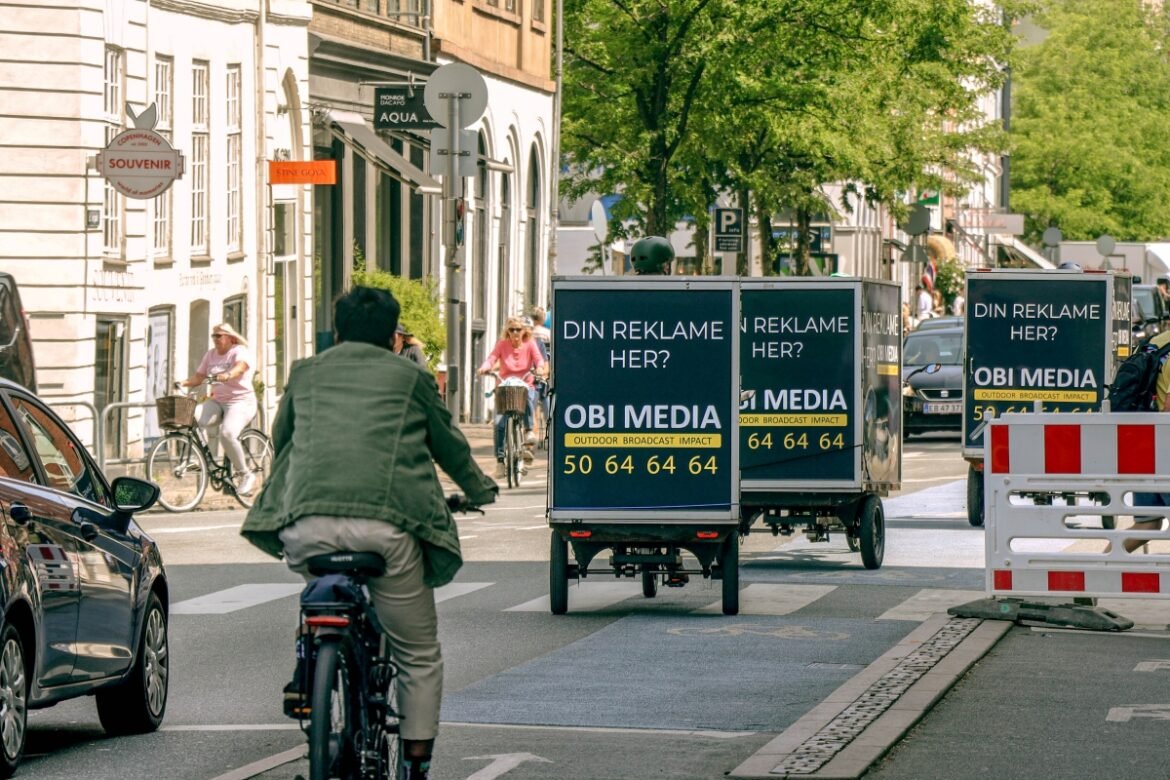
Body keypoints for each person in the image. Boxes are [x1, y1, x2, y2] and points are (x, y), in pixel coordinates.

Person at [240, 286, 498, 780]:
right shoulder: (410, 376)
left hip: (305, 523)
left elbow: (282, 437)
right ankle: (417, 764)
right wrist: (480, 490)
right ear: (393, 337)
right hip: (387, 528)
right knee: (417, 652)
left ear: (336, 332)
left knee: (320, 583)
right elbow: (448, 445)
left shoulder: (305, 372)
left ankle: (309, 663)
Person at [180, 323, 258, 495]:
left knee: (227, 434)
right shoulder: (210, 355)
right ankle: (197, 459)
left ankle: (246, 474)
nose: (215, 339)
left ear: (230, 338)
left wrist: (229, 375)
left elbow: (241, 367)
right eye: (213, 336)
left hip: (241, 402)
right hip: (217, 401)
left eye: (219, 336)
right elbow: (199, 377)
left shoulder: (239, 351)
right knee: (191, 418)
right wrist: (182, 383)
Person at [477, 316, 545, 475]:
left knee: (528, 394)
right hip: (505, 388)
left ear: (524, 331)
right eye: (511, 329)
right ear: (507, 331)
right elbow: (491, 358)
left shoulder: (530, 344)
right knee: (499, 424)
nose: (515, 332)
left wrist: (540, 368)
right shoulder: (502, 345)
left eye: (518, 329)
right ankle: (500, 462)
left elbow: (539, 360)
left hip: (524, 384)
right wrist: (484, 367)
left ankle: (528, 430)